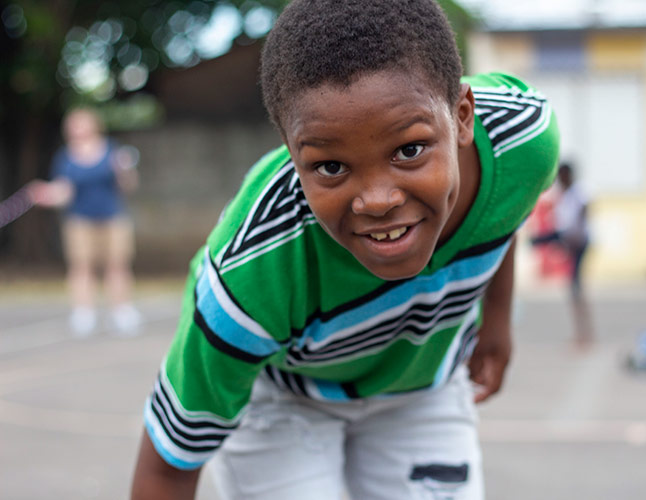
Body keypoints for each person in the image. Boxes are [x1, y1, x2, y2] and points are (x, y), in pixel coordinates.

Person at [130, 0, 559, 498]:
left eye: (410, 150)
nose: (379, 200)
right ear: (292, 157)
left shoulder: (521, 140)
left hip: (420, 387)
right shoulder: (251, 274)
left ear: (463, 117)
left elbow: (506, 209)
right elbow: (167, 466)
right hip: (287, 397)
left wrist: (498, 319)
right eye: (331, 167)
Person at [28, 107, 141, 337]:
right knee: (81, 267)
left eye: (81, 124)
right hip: (79, 220)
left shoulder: (112, 151)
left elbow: (128, 186)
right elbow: (64, 192)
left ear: (94, 125)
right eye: (73, 125)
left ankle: (122, 311)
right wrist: (45, 194)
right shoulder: (65, 157)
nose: (77, 129)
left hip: (113, 217)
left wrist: (126, 170)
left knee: (117, 265)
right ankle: (84, 313)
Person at [531, 162, 594, 348]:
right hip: (569, 239)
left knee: (576, 289)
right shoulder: (564, 195)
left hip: (578, 242)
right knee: (574, 289)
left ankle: (584, 335)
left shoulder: (579, 193)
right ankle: (582, 334)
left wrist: (566, 237)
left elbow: (580, 219)